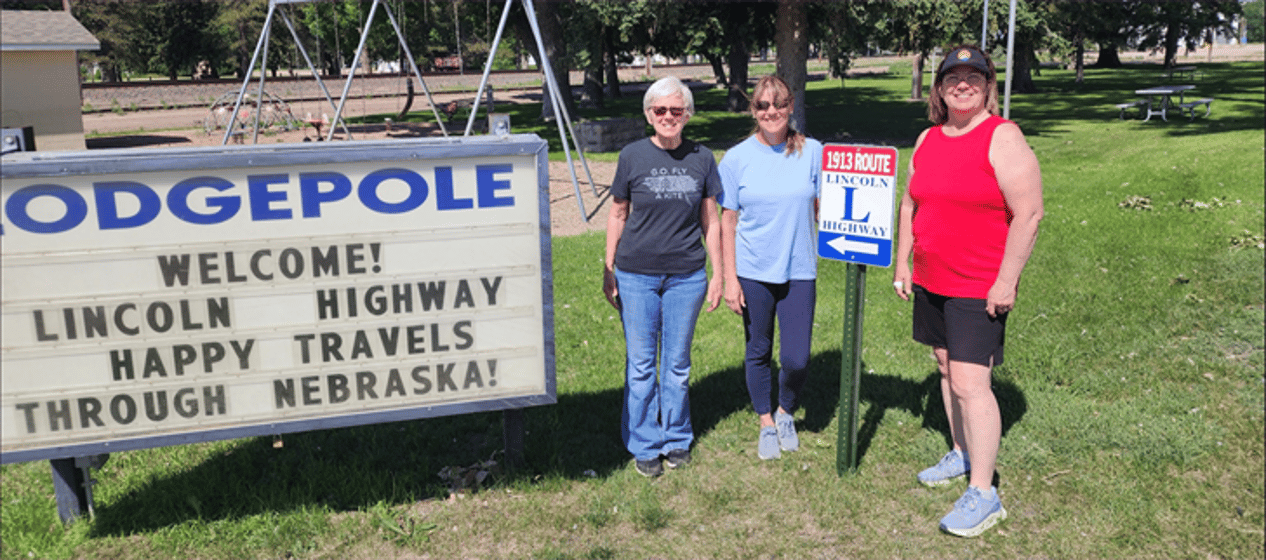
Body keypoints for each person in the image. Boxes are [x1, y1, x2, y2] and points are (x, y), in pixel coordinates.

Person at [893, 45, 1044, 537]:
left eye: (972, 78)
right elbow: (910, 205)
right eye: (952, 77)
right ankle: (960, 453)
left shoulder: (1002, 137)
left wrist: (1007, 279)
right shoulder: (929, 137)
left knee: (969, 383)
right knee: (943, 365)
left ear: (987, 86)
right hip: (933, 278)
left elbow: (1030, 212)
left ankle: (984, 493)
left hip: (977, 283)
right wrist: (903, 263)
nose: (962, 85)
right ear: (939, 87)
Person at [603, 75, 724, 478]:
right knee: (641, 364)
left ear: (687, 114)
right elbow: (617, 213)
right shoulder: (632, 156)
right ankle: (644, 443)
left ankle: (676, 437)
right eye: (660, 110)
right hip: (635, 273)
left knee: (676, 364)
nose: (668, 117)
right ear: (648, 114)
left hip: (686, 276)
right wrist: (609, 269)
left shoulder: (703, 158)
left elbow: (712, 220)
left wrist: (719, 272)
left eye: (676, 110)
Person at [719, 75, 822, 461]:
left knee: (797, 357)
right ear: (753, 111)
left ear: (791, 106)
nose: (771, 112)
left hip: (799, 269)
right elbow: (727, 220)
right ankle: (765, 420)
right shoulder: (736, 158)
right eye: (762, 106)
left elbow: (824, 207)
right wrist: (730, 279)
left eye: (778, 104)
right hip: (753, 269)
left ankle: (785, 412)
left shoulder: (812, 152)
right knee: (758, 348)